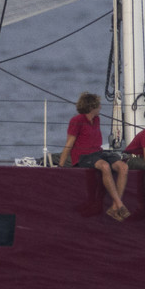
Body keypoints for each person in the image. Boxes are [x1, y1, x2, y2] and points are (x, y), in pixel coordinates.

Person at [57, 91, 130, 220]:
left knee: (123, 167)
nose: (100, 107)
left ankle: (114, 208)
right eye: (98, 105)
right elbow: (69, 143)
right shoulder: (77, 120)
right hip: (83, 155)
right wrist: (61, 164)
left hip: (98, 153)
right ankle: (120, 204)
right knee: (105, 166)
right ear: (92, 107)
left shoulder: (97, 119)